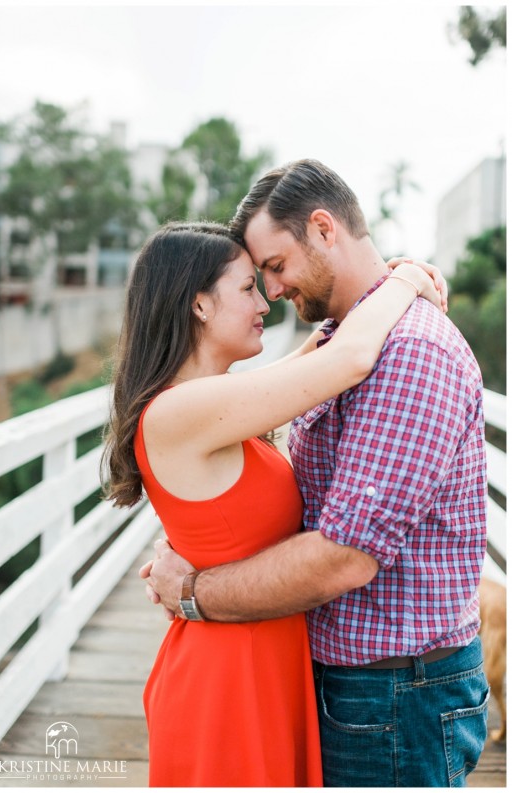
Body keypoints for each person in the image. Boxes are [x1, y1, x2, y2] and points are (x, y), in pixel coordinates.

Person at [142, 160, 489, 788]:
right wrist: (402, 280)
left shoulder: (406, 352)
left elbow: (345, 556)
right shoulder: (335, 345)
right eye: (251, 283)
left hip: (391, 690)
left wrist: (196, 588)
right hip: (300, 675)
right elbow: (341, 358)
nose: (271, 295)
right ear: (197, 304)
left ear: (324, 229)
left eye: (272, 270)